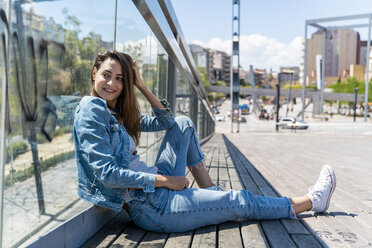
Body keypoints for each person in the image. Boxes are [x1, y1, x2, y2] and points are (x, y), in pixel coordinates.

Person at [73, 50, 336, 233]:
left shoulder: (115, 112)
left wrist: (140, 84)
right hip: (152, 208)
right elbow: (107, 174)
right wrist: (168, 181)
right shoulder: (92, 109)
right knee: (239, 201)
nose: (112, 83)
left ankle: (208, 190)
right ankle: (311, 202)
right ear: (94, 73)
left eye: (120, 79)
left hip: (154, 189)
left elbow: (166, 122)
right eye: (107, 75)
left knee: (184, 123)